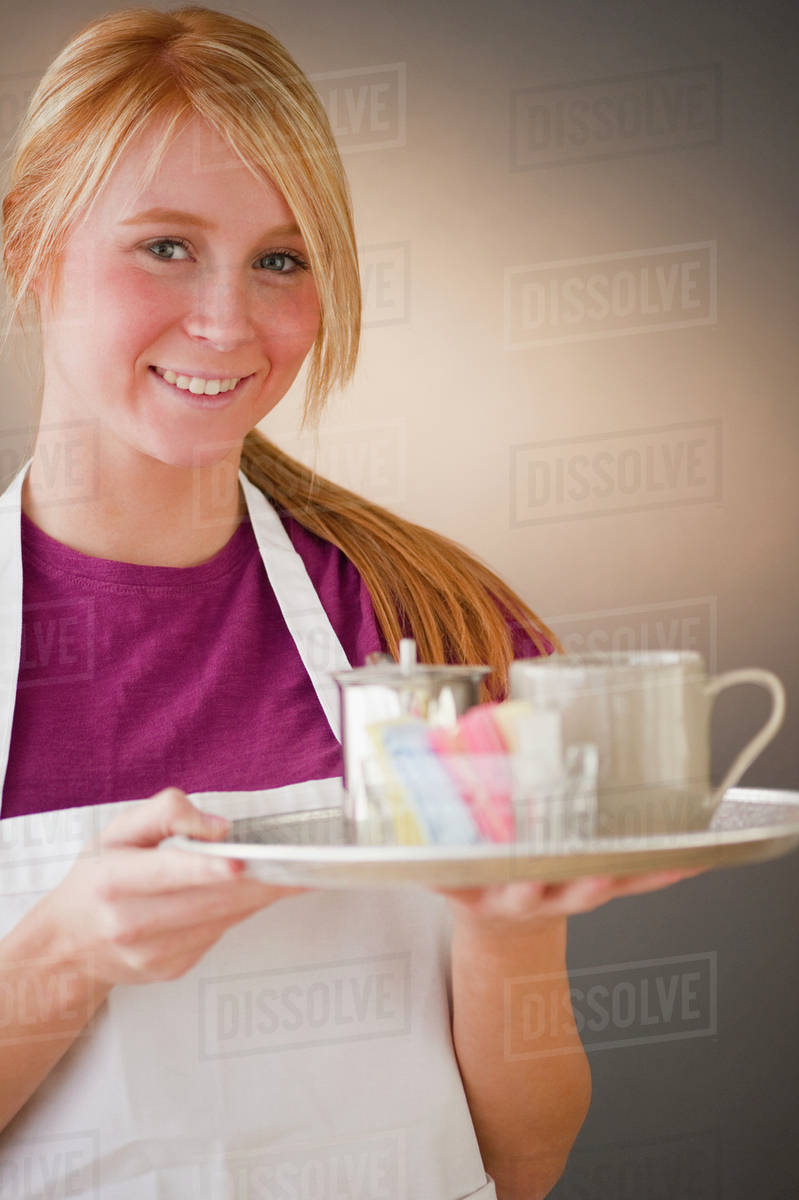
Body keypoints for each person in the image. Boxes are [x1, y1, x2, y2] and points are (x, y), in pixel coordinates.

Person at [0, 8, 699, 1198]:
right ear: (29, 248)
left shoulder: (434, 622)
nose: (227, 322)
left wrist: (509, 922)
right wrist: (61, 957)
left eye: (281, 258)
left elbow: (522, 1162)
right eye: (165, 245)